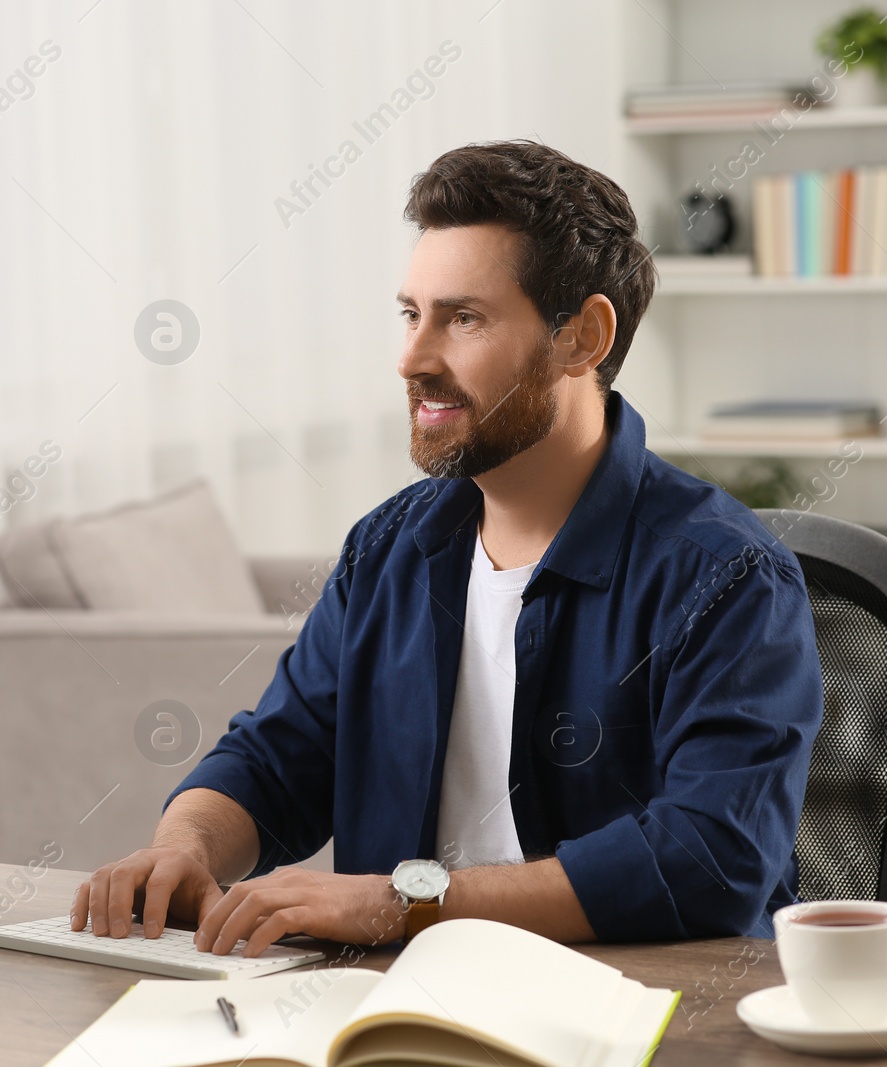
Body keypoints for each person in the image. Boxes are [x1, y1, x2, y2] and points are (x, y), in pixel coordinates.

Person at [71, 140, 824, 956]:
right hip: (391, 1009)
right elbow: (278, 756)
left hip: (632, 1019)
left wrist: (402, 905)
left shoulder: (725, 573)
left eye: (463, 318)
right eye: (410, 314)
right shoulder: (389, 548)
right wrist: (185, 849)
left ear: (583, 338)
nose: (412, 359)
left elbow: (709, 857)